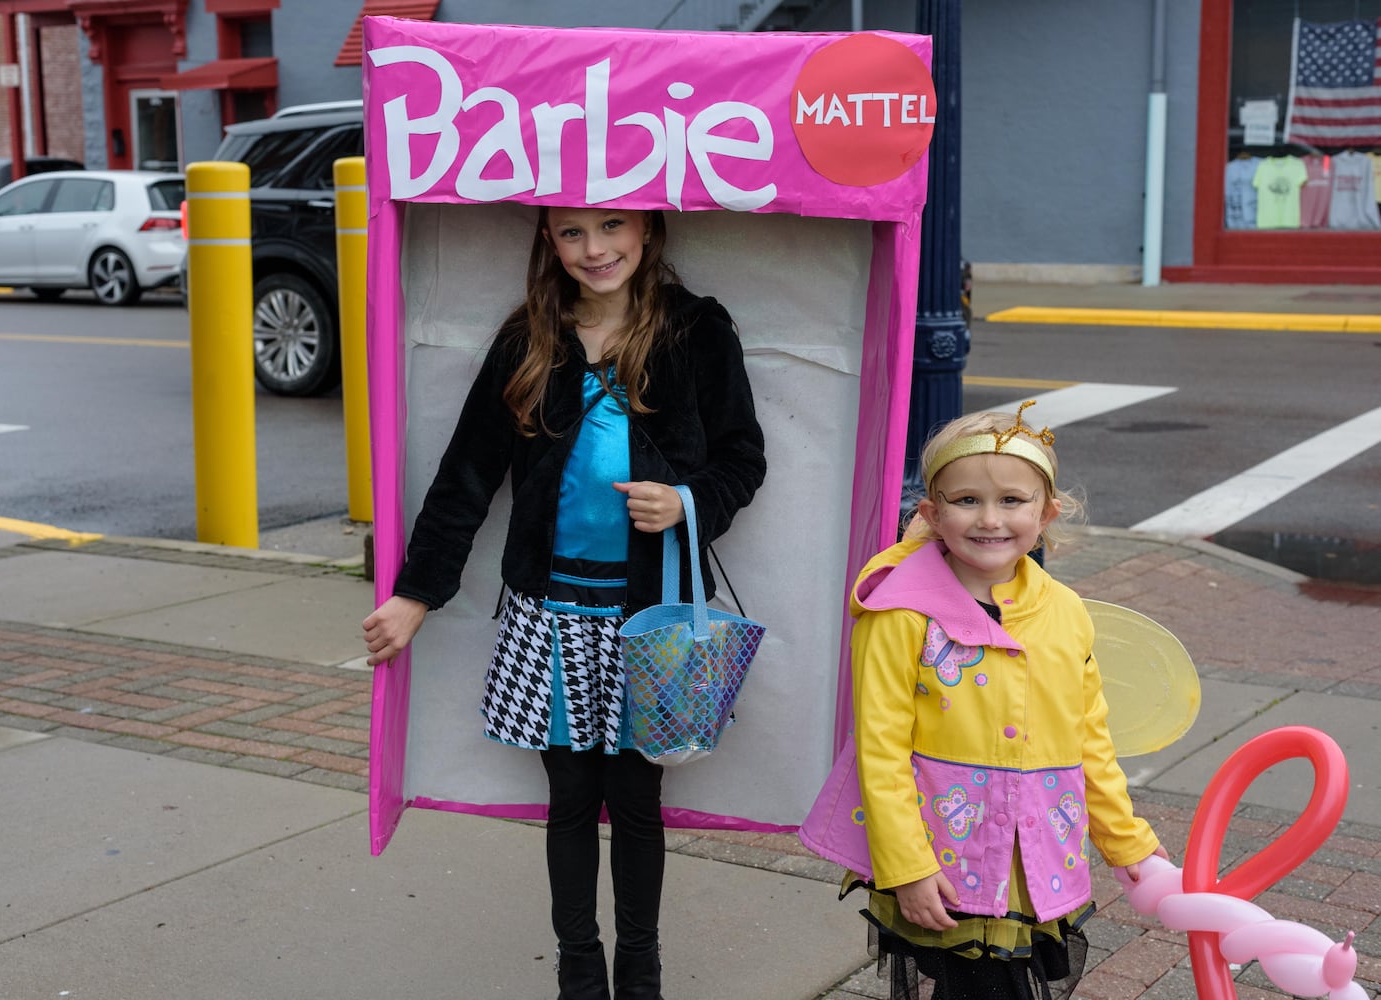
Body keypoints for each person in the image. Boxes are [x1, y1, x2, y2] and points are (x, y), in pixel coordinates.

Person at [362, 205, 766, 1000]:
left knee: (638, 801)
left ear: (648, 230)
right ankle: (578, 972)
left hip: (651, 621)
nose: (595, 248)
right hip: (553, 616)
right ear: (547, 239)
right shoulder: (527, 341)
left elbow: (743, 459)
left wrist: (686, 501)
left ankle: (641, 974)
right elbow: (466, 477)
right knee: (572, 799)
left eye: (612, 226)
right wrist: (416, 594)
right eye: (572, 232)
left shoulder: (696, 332)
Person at [840, 402, 1163, 1000]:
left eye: (1012, 501)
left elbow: (1088, 734)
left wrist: (1126, 839)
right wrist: (907, 865)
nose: (989, 519)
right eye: (966, 501)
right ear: (933, 514)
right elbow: (879, 747)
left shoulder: (1063, 612)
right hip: (946, 856)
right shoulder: (900, 613)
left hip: (1033, 861)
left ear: (1047, 513)